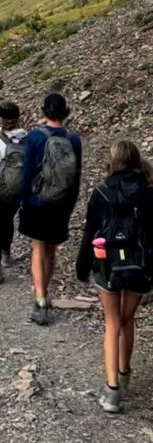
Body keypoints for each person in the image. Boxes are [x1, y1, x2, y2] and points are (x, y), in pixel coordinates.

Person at [76, 141, 153, 414]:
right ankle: (124, 371)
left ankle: (111, 392)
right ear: (136, 160)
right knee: (127, 319)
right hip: (139, 266)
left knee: (111, 323)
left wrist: (82, 266)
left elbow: (90, 233)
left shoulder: (102, 192)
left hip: (107, 264)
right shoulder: (148, 192)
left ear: (113, 162)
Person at [19, 92, 82, 325]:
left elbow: (27, 174)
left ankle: (40, 299)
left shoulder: (35, 137)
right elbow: (76, 176)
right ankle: (45, 291)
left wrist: (24, 200)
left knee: (38, 248)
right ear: (65, 112)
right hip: (61, 203)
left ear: (45, 111)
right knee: (52, 250)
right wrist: (70, 203)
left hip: (37, 201)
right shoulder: (73, 140)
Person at [0, 101, 27, 284]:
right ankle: (7, 255)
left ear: (0, 118)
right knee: (8, 220)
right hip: (18, 188)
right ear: (18, 118)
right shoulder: (27, 137)